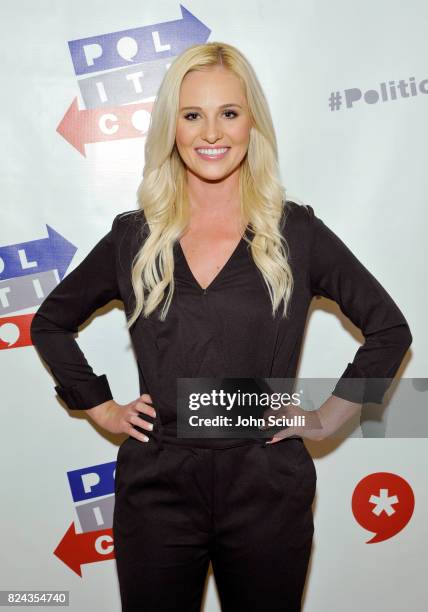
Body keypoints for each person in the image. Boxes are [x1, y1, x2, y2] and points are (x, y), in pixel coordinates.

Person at [30, 42, 412, 612]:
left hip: (267, 484)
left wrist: (330, 414)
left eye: (228, 113)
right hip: (157, 485)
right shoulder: (135, 236)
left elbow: (390, 329)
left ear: (251, 121)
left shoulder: (295, 232)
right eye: (192, 115)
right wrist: (100, 406)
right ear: (172, 127)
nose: (212, 132)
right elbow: (50, 322)